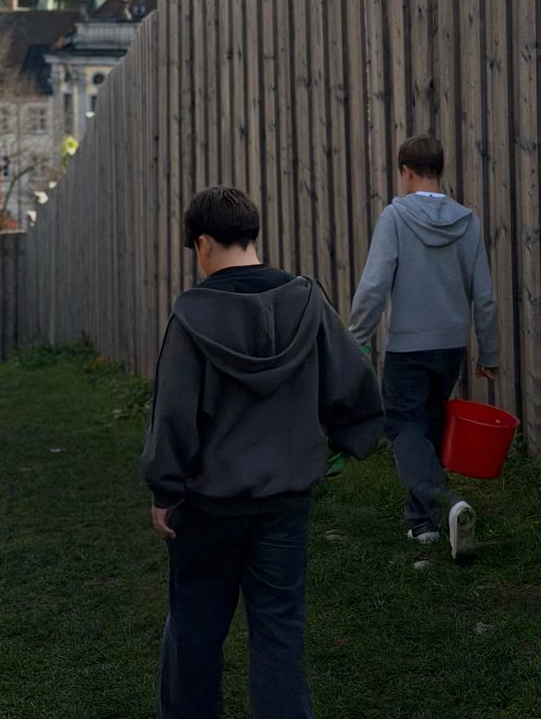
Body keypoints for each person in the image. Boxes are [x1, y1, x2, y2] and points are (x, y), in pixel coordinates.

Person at [141, 185, 383, 719]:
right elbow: (354, 383)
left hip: (208, 507)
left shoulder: (190, 317)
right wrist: (346, 443)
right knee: (279, 635)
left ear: (202, 243)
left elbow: (173, 413)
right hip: (285, 501)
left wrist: (165, 488)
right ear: (253, 235)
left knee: (195, 634)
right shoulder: (307, 300)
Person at [348, 134, 498, 559]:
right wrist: (489, 353)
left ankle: (445, 503)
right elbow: (483, 294)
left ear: (406, 172)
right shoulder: (466, 220)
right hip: (451, 347)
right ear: (440, 169)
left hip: (408, 348)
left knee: (401, 426)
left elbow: (374, 285)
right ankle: (424, 526)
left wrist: (355, 340)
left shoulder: (395, 218)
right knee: (428, 426)